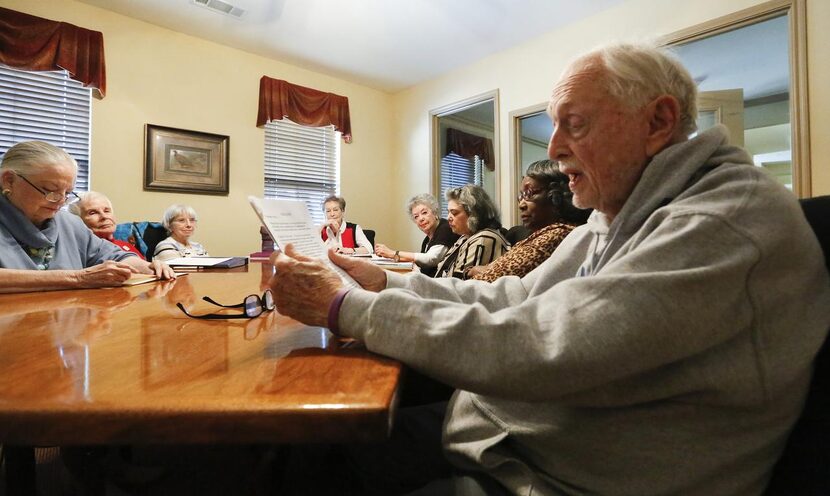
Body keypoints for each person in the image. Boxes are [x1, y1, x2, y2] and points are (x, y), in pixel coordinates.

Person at [269, 41, 830, 495]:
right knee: (311, 443)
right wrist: (385, 282)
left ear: (658, 121)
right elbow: (510, 299)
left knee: (316, 459)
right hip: (513, 438)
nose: (556, 148)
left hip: (555, 476)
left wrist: (344, 306)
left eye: (575, 124)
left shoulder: (723, 220)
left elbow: (540, 345)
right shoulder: (612, 215)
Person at [0, 141, 175, 293]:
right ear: (9, 180)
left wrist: (149, 268)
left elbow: (115, 255)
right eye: (50, 190)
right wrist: (78, 279)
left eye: (67, 193)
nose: (60, 201)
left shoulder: (70, 223)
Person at [466, 160, 589, 282]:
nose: (521, 204)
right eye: (521, 196)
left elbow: (485, 282)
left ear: (557, 195)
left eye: (529, 193)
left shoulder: (559, 234)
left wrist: (479, 270)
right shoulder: (542, 233)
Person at [432, 185, 509, 279]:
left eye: (454, 213)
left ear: (474, 214)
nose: (448, 218)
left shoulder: (484, 239)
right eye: (448, 212)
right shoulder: (465, 237)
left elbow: (458, 284)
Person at [375, 193, 459, 277]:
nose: (421, 219)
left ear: (434, 212)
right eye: (416, 217)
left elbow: (430, 259)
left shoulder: (446, 228)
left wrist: (393, 253)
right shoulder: (427, 239)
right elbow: (421, 263)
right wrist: (389, 256)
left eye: (424, 212)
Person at [69, 191, 145, 259]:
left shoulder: (127, 246)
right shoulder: (78, 253)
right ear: (78, 220)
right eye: (93, 213)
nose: (104, 216)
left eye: (107, 211)